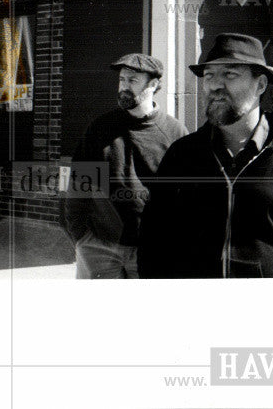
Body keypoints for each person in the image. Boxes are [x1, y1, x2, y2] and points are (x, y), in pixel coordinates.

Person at [140, 33, 273, 278]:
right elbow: (153, 239)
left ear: (260, 85)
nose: (215, 85)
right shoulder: (182, 155)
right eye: (209, 76)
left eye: (230, 74)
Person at [61, 53, 188, 278]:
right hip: (99, 247)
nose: (124, 87)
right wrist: (80, 236)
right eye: (122, 80)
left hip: (152, 250)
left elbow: (186, 197)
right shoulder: (100, 128)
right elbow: (78, 184)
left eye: (132, 81)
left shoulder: (174, 133)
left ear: (154, 84)